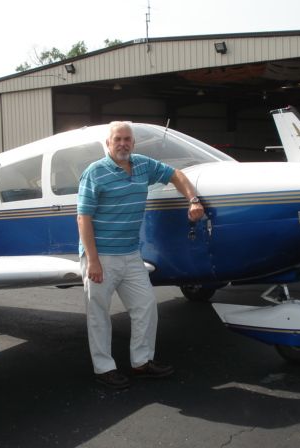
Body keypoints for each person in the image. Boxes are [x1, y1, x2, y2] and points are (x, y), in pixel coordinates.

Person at [77, 121, 205, 389]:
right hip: (101, 256)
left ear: (133, 143)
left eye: (127, 139)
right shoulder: (95, 172)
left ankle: (141, 362)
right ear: (108, 144)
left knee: (146, 307)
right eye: (117, 139)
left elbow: (177, 175)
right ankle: (104, 369)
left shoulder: (143, 165)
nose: (122, 143)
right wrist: (93, 260)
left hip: (131, 254)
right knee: (99, 315)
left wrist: (193, 200)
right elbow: (83, 218)